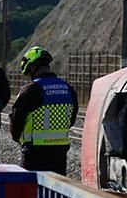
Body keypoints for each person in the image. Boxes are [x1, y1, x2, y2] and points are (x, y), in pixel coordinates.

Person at [8, 46, 76, 174]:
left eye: (29, 72)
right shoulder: (68, 89)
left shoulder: (31, 90)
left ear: (33, 68)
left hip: (34, 152)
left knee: (31, 190)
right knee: (56, 190)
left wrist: (19, 139)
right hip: (60, 152)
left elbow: (16, 121)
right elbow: (71, 120)